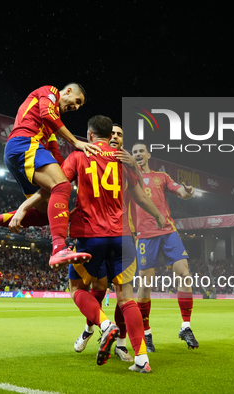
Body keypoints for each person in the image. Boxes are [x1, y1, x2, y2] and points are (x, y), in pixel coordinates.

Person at [63, 115, 163, 372]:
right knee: (126, 296)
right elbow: (140, 196)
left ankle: (106, 326)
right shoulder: (124, 162)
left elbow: (60, 185)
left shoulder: (79, 156)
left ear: (90, 134)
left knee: (75, 288)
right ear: (111, 135)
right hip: (122, 238)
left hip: (90, 236)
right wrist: (159, 215)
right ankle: (142, 360)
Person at [0, 83, 101, 268]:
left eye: (79, 106)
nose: (76, 107)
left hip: (19, 151)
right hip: (25, 143)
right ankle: (59, 249)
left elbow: (56, 152)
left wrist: (76, 173)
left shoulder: (54, 121)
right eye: (77, 101)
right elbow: (47, 114)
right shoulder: (50, 92)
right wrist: (76, 142)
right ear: (68, 91)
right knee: (61, 186)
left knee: (46, 214)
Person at [131, 142, 200, 351]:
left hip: (168, 230)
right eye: (134, 153)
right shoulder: (129, 179)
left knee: (184, 274)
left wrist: (189, 192)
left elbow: (180, 191)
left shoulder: (161, 176)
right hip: (144, 235)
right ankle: (146, 332)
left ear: (148, 154)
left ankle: (186, 326)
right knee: (145, 285)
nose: (137, 154)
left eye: (141, 151)